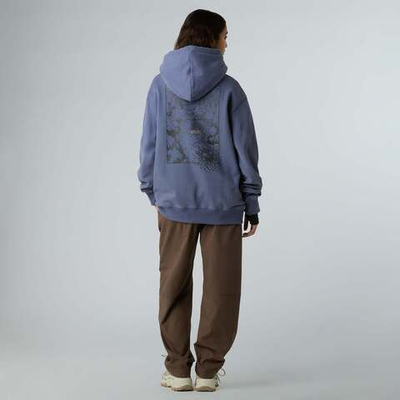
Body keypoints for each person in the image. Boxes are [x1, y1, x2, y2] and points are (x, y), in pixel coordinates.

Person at [137, 9, 263, 392]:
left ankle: (178, 371)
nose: (227, 43)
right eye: (225, 36)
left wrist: (152, 190)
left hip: (173, 203)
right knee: (222, 289)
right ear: (211, 38)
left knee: (173, 285)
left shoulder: (160, 85)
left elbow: (149, 144)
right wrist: (251, 201)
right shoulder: (231, 90)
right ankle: (207, 371)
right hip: (223, 204)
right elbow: (246, 150)